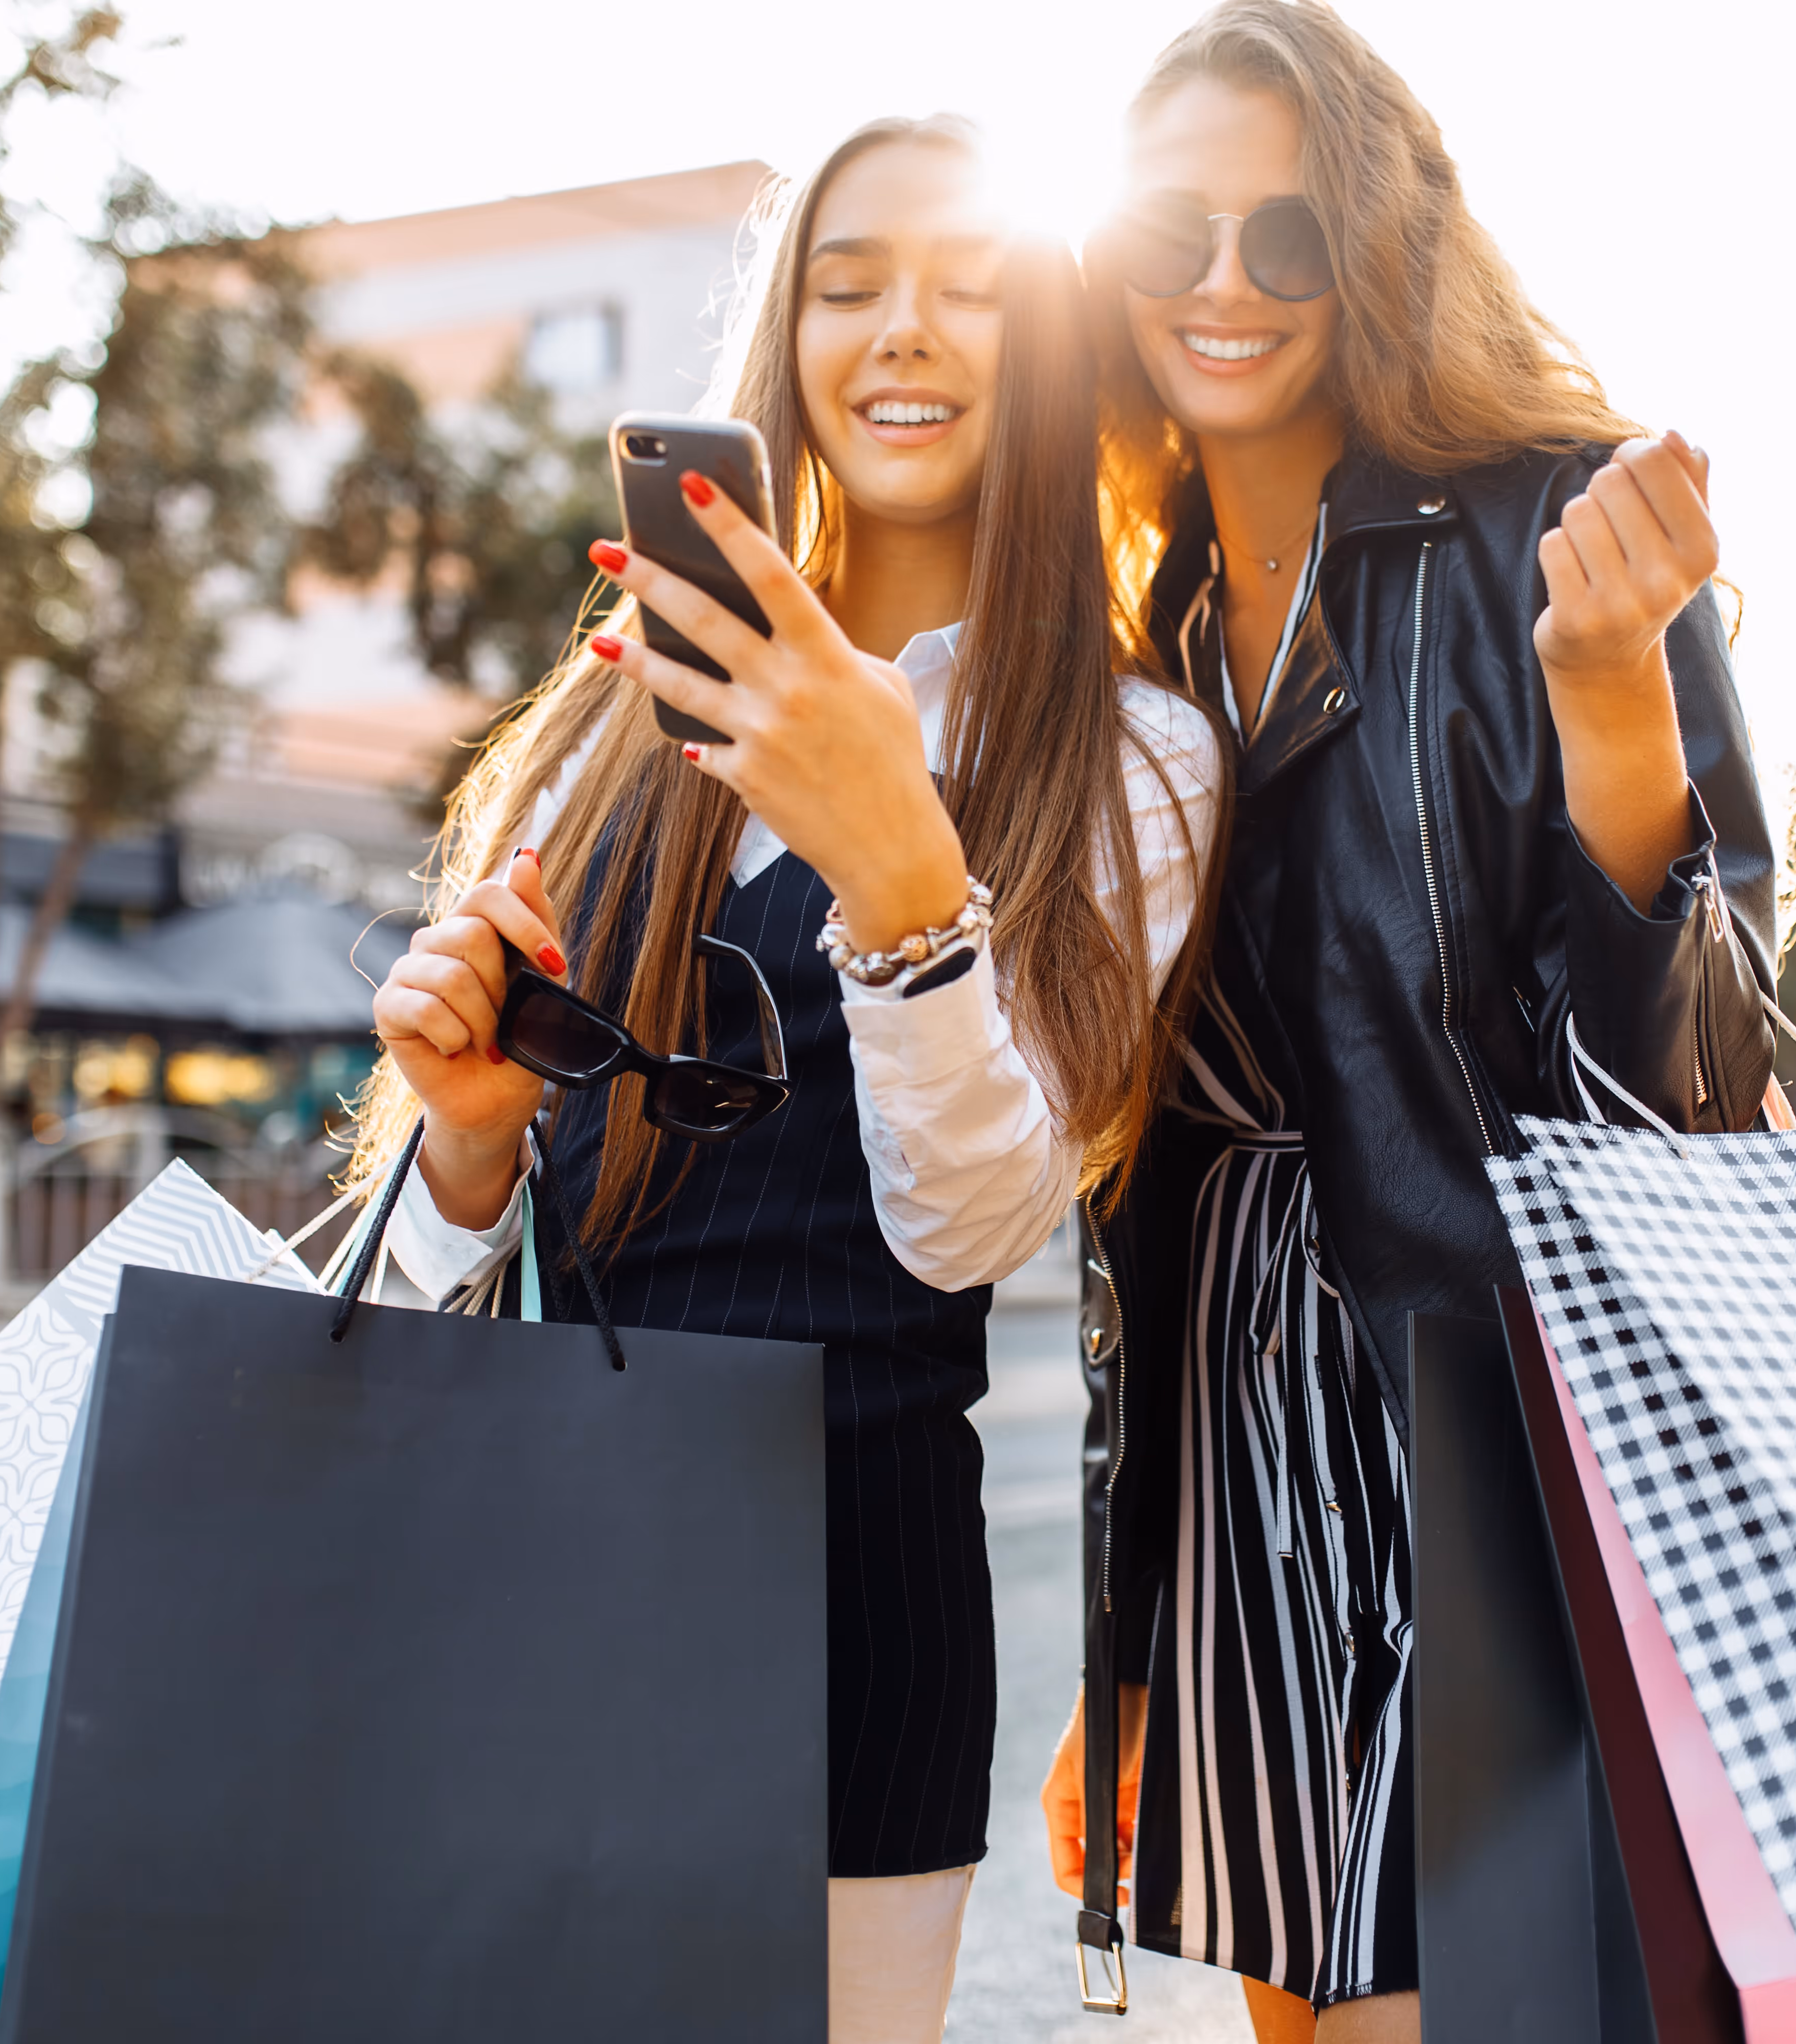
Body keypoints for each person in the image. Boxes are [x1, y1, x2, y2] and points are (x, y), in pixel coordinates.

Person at [349, 117, 1221, 2042]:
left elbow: (984, 1224)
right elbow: (435, 1274)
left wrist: (903, 871)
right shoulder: (608, 715)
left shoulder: (1133, 755)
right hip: (539, 1547)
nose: (906, 332)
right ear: (786, 341)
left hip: (851, 1586)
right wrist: (472, 1137)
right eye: (849, 287)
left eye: (975, 290)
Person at [1038, 6, 1786, 2039]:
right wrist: (1123, 1652)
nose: (1222, 282)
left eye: (1286, 237)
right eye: (1173, 230)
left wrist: (1615, 699)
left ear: (1372, 249)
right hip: (1240, 1460)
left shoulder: (1558, 522)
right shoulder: (1145, 630)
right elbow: (1144, 1175)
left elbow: (1694, 1090)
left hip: (1493, 1422)